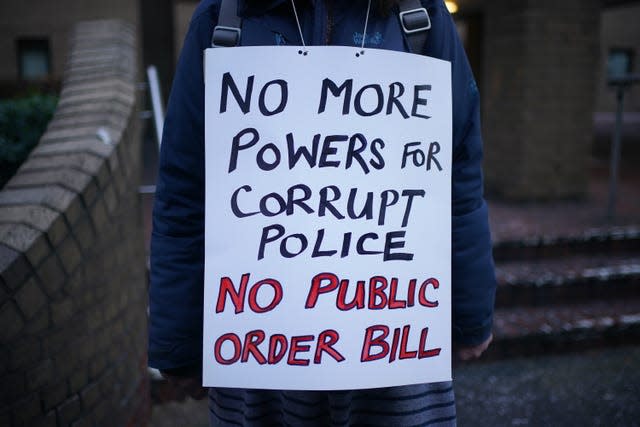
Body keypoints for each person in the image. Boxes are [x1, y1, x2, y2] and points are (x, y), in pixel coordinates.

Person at [149, 0, 496, 425]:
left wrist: (470, 314)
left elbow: (457, 173)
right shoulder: (224, 19)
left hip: (393, 345)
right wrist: (179, 341)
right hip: (260, 355)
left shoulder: (419, 18)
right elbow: (184, 186)